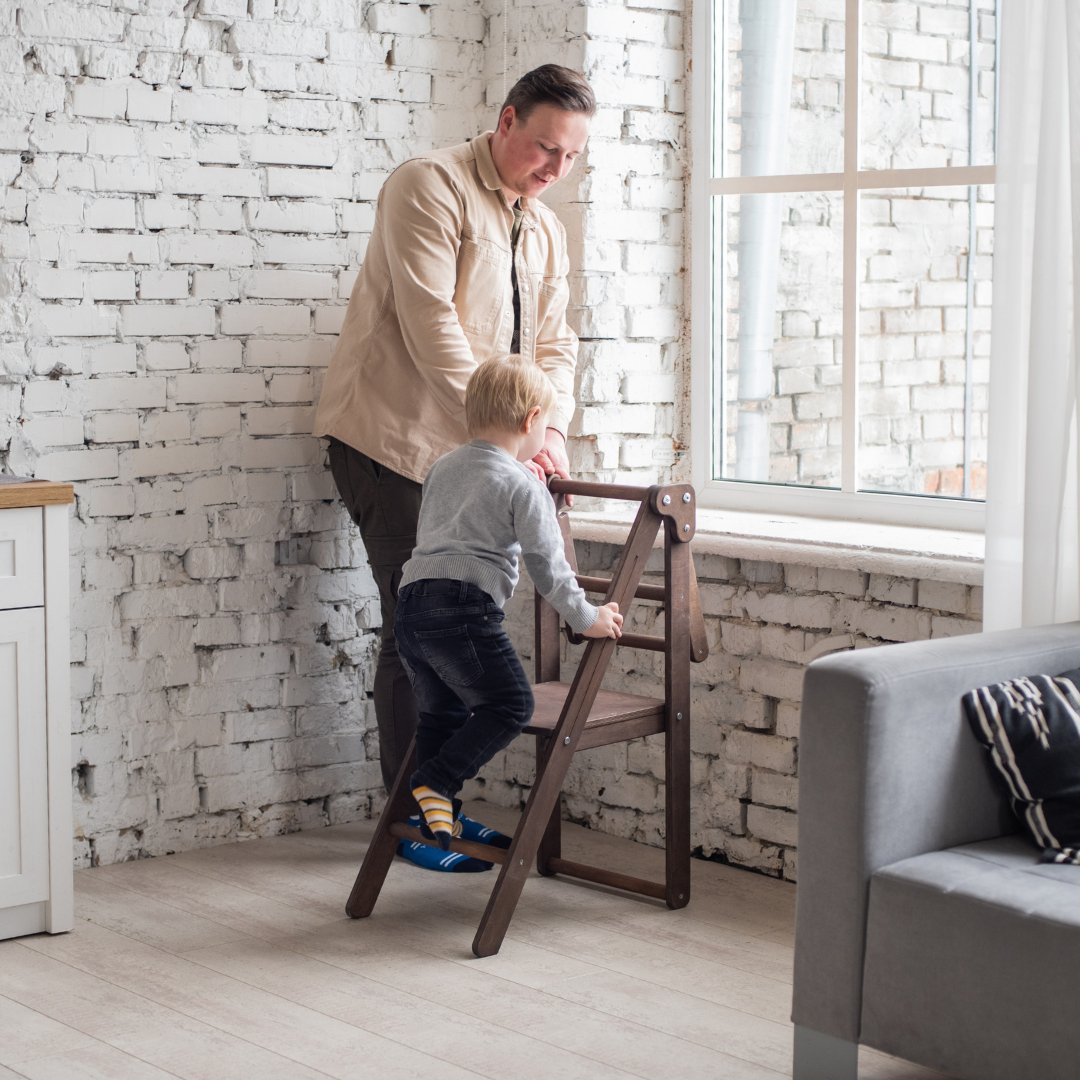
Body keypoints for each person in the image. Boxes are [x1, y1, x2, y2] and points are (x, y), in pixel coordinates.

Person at [313, 65, 596, 870]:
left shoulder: (543, 227)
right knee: (417, 634)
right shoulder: (425, 186)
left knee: (447, 634)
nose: (555, 169)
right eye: (545, 147)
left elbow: (556, 342)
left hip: (483, 452)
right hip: (393, 442)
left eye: (571, 157)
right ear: (506, 121)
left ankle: (436, 805)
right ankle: (411, 822)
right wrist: (516, 430)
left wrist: (553, 430)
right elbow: (433, 325)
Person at [398, 357, 623, 849]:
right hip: (463, 609)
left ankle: (439, 818)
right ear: (530, 421)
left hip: (412, 605)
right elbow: (550, 566)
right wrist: (588, 617)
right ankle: (436, 781)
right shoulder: (523, 485)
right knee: (512, 705)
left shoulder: (443, 468)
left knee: (442, 715)